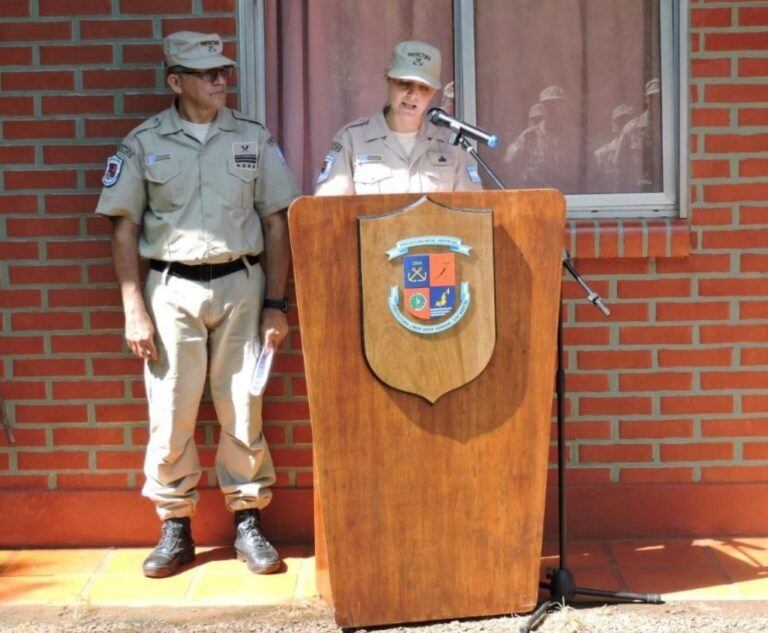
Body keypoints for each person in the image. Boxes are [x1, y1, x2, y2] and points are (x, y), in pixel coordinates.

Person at [94, 31, 300, 579]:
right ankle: (175, 526)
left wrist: (277, 303)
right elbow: (123, 229)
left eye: (224, 71)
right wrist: (132, 307)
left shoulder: (253, 139)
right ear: (175, 81)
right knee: (171, 411)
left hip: (242, 285)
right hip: (171, 291)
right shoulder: (143, 143)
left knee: (242, 405)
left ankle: (248, 519)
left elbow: (278, 222)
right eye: (206, 73)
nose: (219, 80)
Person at [314, 40, 483, 195]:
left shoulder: (452, 145)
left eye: (423, 87)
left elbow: (473, 212)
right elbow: (328, 211)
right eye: (404, 83)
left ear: (433, 92)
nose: (412, 95)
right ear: (388, 79)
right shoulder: (352, 140)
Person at [504, 85, 580, 192]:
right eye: (549, 106)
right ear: (542, 109)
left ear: (564, 108)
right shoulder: (528, 137)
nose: (554, 110)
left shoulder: (573, 138)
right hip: (537, 199)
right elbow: (510, 166)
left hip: (568, 199)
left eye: (558, 105)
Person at [615, 78, 662, 192]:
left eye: (660, 98)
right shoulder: (632, 129)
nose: (657, 102)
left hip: (669, 190)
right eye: (652, 98)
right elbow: (620, 163)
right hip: (641, 190)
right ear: (646, 100)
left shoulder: (675, 126)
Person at [592, 103, 636, 192]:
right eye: (621, 122)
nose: (625, 126)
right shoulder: (600, 155)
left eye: (628, 122)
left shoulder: (641, 154)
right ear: (613, 126)